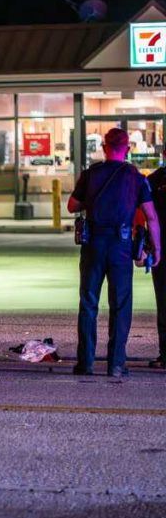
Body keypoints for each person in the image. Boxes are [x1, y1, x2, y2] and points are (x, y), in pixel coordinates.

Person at [67, 127, 161, 378]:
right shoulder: (136, 178)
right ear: (128, 149)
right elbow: (151, 217)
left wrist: (96, 202)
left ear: (104, 148)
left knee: (88, 302)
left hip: (94, 243)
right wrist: (157, 248)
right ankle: (116, 364)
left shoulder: (90, 175)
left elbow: (71, 205)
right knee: (120, 305)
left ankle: (85, 363)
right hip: (120, 246)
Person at [145, 146, 166, 369]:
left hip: (162, 248)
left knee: (164, 301)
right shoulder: (153, 180)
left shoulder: (154, 180)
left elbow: (149, 215)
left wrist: (153, 246)